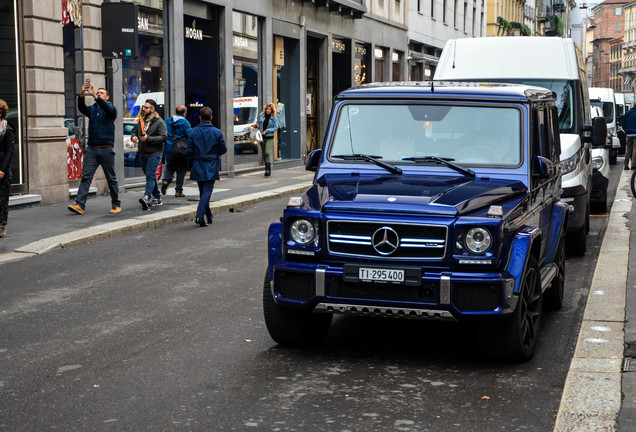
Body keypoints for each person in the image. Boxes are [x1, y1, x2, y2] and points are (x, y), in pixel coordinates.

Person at [68, 82, 121, 215]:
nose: (98, 94)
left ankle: (116, 204)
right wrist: (81, 93)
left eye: (101, 93)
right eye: (97, 93)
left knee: (111, 178)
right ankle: (80, 205)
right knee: (86, 176)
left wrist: (95, 97)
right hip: (92, 148)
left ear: (107, 97)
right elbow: (82, 108)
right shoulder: (92, 109)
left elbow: (107, 109)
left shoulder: (111, 109)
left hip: (106, 149)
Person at [187, 106, 227, 227]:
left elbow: (189, 151)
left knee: (203, 191)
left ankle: (208, 215)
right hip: (211, 163)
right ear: (211, 117)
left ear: (199, 117)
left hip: (198, 163)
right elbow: (223, 149)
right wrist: (215, 154)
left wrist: (190, 164)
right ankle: (200, 216)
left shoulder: (192, 131)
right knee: (207, 191)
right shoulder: (217, 132)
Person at [132, 99, 167, 210]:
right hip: (142, 153)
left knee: (151, 175)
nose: (144, 109)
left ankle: (146, 197)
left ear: (152, 109)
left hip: (154, 153)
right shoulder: (142, 121)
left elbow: (163, 137)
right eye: (143, 107)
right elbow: (135, 131)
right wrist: (134, 136)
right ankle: (157, 197)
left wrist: (148, 138)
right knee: (149, 175)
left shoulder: (159, 122)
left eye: (146, 107)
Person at [161, 105, 191, 197]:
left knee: (169, 167)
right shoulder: (185, 123)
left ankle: (166, 180)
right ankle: (178, 191)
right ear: (184, 113)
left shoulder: (167, 121)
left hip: (169, 148)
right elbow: (190, 135)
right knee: (181, 170)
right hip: (181, 149)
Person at [0, 99, 14, 238]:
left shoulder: (7, 130)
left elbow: (10, 152)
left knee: (2, 200)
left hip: (2, 170)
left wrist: (2, 170)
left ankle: (2, 226)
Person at [256, 103, 279, 177]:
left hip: (270, 137)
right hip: (262, 138)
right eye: (267, 109)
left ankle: (268, 169)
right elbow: (258, 124)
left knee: (267, 152)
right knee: (264, 154)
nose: (268, 111)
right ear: (265, 109)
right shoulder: (261, 115)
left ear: (272, 110)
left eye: (270, 109)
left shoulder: (274, 118)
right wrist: (255, 125)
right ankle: (266, 168)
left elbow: (276, 127)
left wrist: (267, 131)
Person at [623, 103, 636, 170]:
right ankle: (633, 165)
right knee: (635, 149)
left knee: (628, 148)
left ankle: (626, 165)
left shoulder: (627, 113)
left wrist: (626, 130)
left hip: (628, 133)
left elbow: (623, 123)